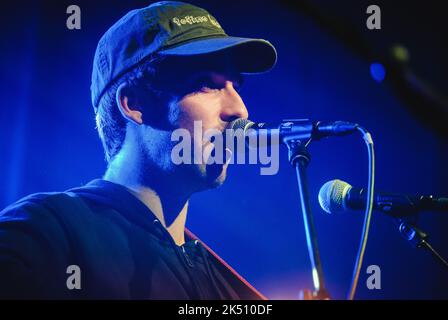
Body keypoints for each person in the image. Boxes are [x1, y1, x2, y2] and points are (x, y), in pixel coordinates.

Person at [0, 1, 277, 299]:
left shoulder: (224, 285)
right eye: (206, 85)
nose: (240, 110)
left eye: (236, 86)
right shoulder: (45, 235)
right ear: (134, 104)